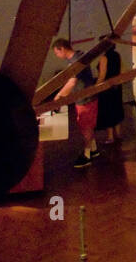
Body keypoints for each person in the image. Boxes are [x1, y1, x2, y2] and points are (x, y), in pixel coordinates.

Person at [52, 38, 105, 169]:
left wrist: (58, 96)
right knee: (88, 125)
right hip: (88, 96)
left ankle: (87, 155)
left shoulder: (75, 62)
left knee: (86, 127)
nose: (57, 56)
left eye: (57, 53)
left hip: (85, 98)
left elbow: (72, 82)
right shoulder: (80, 55)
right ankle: (93, 149)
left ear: (62, 49)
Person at [95, 44, 125, 145]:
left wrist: (95, 87)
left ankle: (110, 137)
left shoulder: (104, 58)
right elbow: (120, 71)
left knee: (108, 111)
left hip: (107, 87)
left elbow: (102, 75)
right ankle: (119, 134)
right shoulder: (117, 55)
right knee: (116, 109)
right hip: (116, 86)